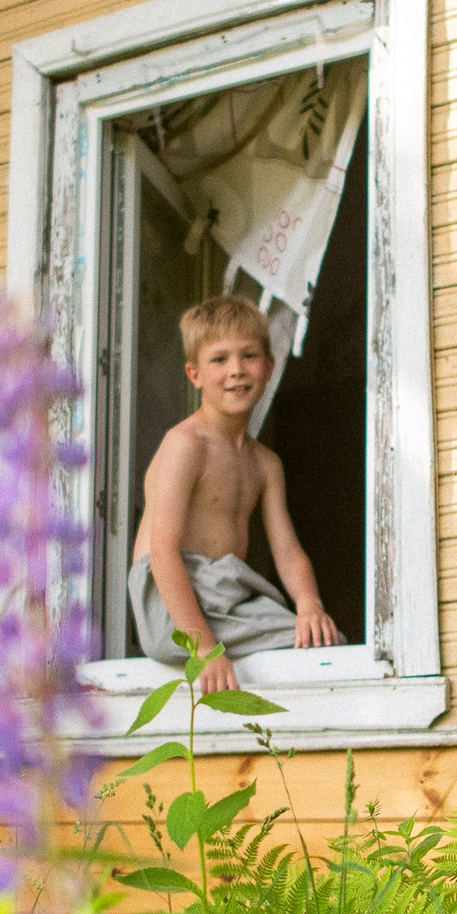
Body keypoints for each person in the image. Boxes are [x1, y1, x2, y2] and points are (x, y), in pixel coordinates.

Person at [129, 295, 343, 693]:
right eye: (219, 359)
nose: (236, 370)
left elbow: (287, 551)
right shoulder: (186, 444)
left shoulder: (265, 463)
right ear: (194, 374)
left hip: (226, 593)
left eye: (249, 356)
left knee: (321, 639)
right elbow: (161, 552)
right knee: (319, 652)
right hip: (171, 599)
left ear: (269, 367)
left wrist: (309, 604)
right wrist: (206, 650)